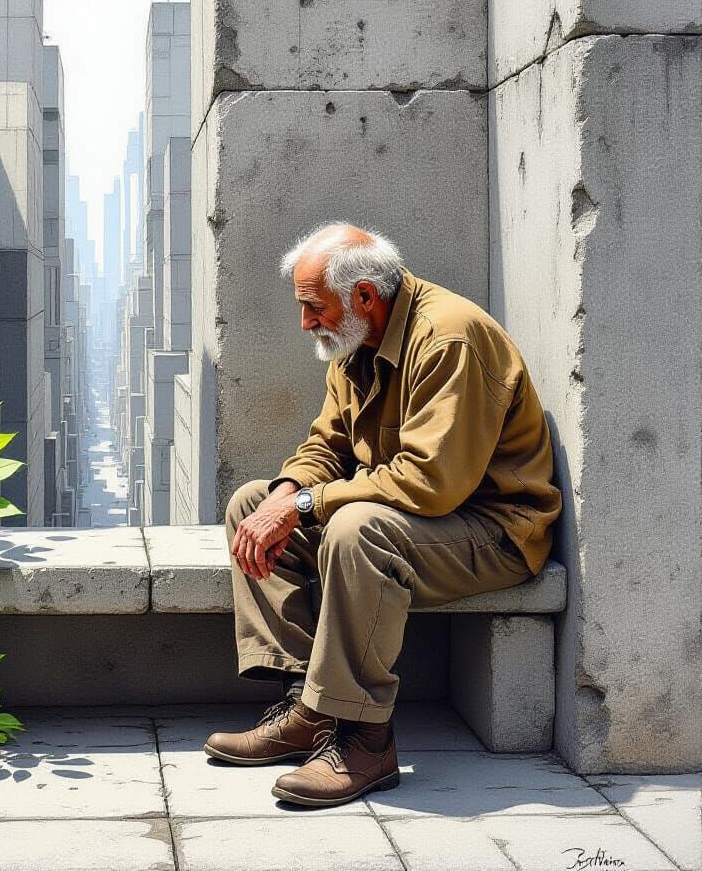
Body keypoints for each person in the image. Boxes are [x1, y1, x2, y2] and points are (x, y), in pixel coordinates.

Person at [205, 222, 562, 807]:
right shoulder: (355, 344)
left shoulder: (450, 338)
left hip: (494, 531)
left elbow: (431, 484)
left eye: (313, 307)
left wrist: (303, 504)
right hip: (420, 521)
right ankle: (309, 709)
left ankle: (365, 740)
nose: (305, 324)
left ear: (365, 295)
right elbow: (327, 445)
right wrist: (286, 492)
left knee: (354, 529)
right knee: (251, 501)